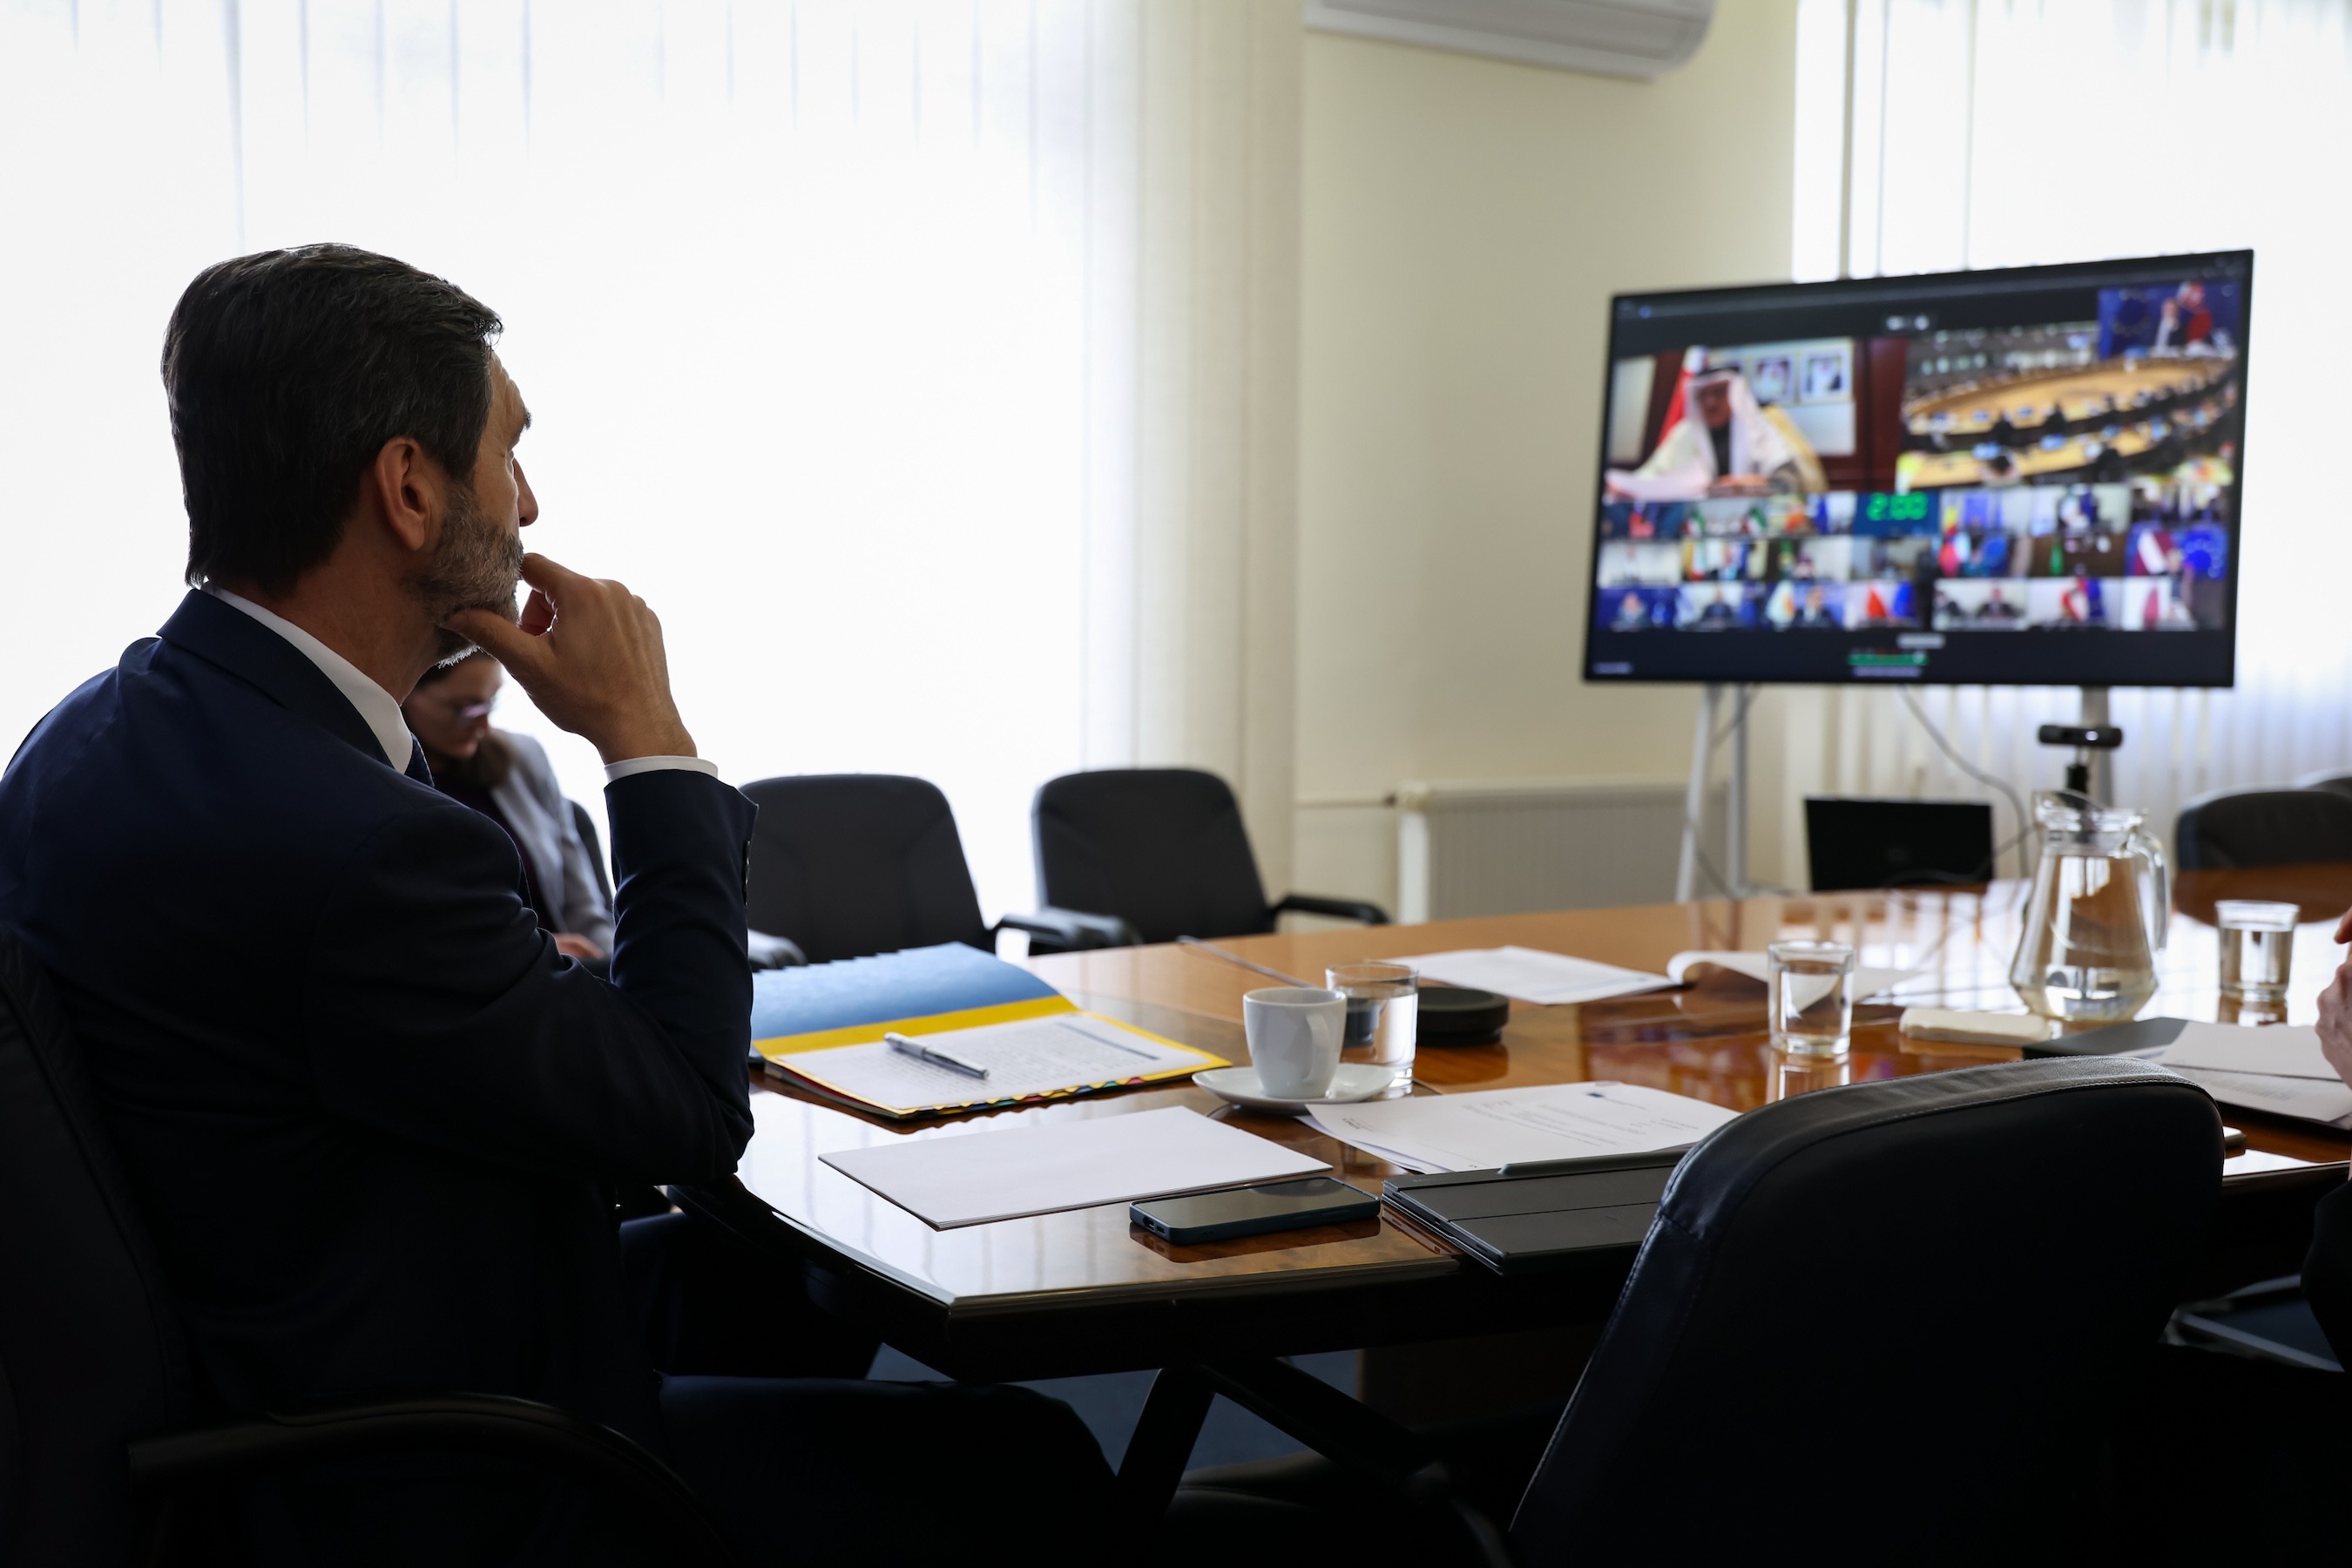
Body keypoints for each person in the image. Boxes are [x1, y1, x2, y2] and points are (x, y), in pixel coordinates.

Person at [0, 245, 1112, 1565]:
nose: (528, 502)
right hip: (434, 1469)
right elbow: (687, 1111)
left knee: (778, 1277)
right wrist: (648, 742)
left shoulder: (87, 737)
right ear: (410, 488)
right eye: (509, 450)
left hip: (305, 1334)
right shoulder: (362, 843)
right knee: (1034, 1459)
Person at [403, 650, 612, 963]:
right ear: (407, 691)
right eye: (465, 708)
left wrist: (616, 966)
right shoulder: (388, 783)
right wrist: (534, 951)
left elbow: (582, 907)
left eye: (491, 703)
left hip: (568, 968)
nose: (484, 725)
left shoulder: (524, 758)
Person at [1604, 367, 1804, 502]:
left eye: (1719, 393)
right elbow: (1651, 478)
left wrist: (1748, 484)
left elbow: (1790, 483)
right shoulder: (1684, 433)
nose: (1710, 403)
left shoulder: (1758, 428)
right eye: (1703, 396)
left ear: (1736, 395)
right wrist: (1621, 487)